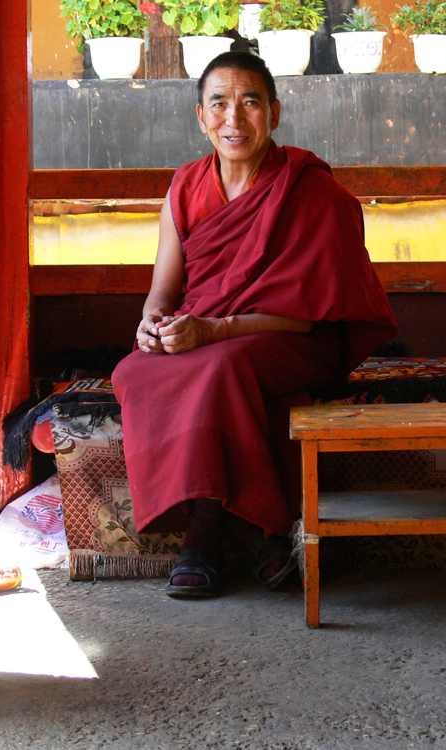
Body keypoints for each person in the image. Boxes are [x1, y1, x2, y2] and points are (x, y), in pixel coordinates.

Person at [111, 51, 397, 598]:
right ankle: (254, 530)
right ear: (201, 117)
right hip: (206, 336)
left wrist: (212, 331)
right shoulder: (186, 186)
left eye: (250, 103)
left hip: (292, 337)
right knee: (134, 372)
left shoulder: (311, 191)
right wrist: (151, 325)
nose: (233, 119)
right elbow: (163, 291)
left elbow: (308, 314)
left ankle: (205, 535)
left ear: (275, 112)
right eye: (218, 103)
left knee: (221, 369)